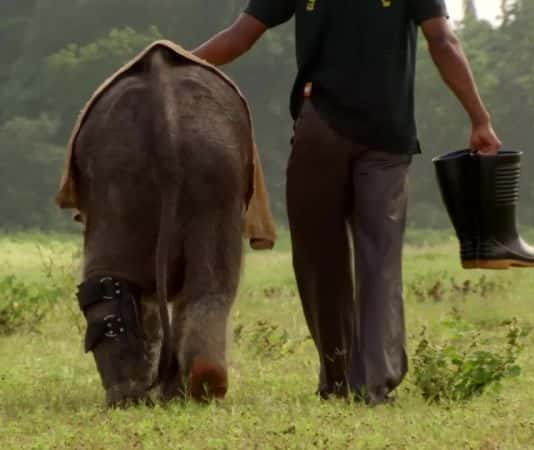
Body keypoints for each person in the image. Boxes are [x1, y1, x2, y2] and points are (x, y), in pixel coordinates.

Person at [193, 0, 501, 405]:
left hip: (320, 126)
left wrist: (175, 64)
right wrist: (479, 118)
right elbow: (442, 40)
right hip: (386, 132)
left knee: (320, 258)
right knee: (380, 261)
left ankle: (337, 376)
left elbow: (240, 37)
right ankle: (372, 383)